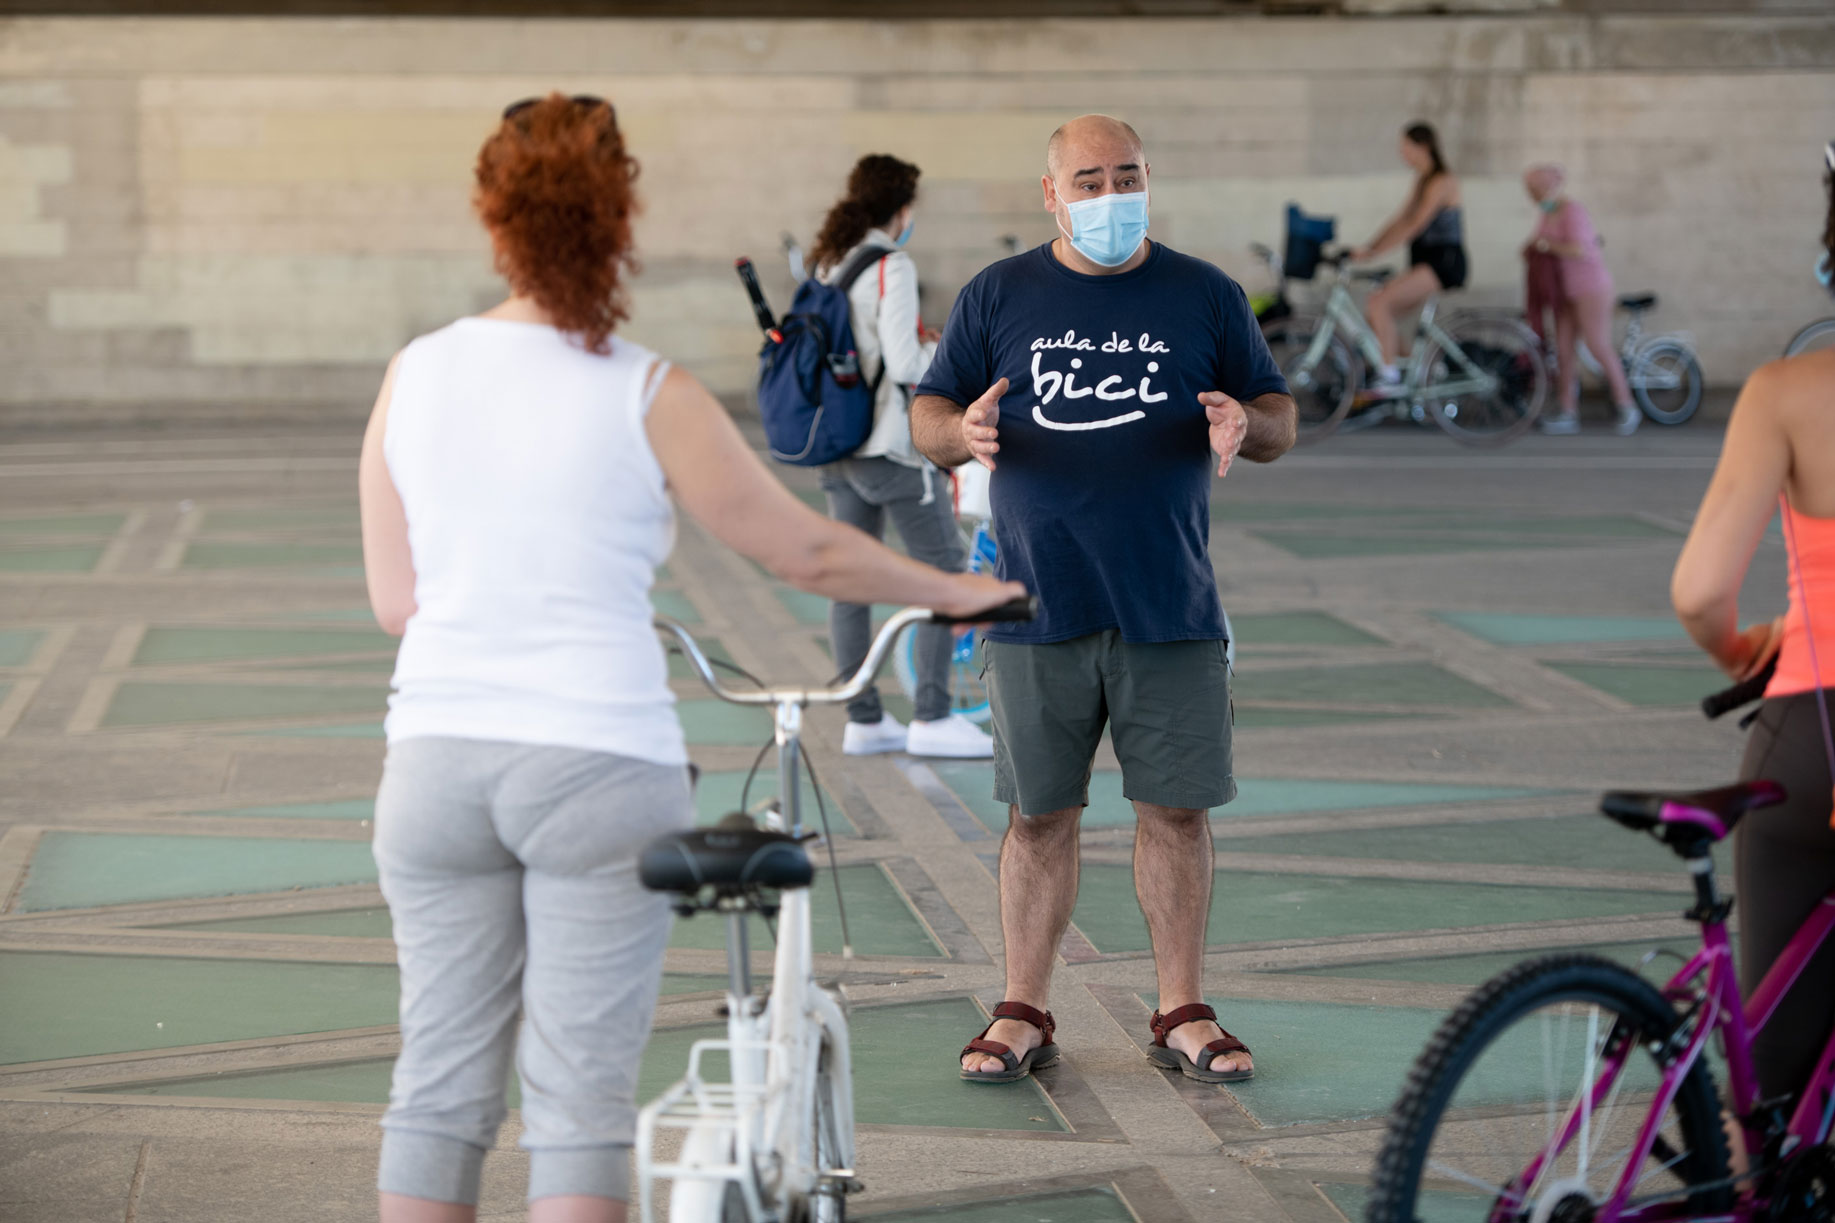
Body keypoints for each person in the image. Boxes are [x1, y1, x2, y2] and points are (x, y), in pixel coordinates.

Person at [357, 94, 1023, 1223]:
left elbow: (396, 604)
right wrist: (960, 587)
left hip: (431, 765)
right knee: (574, 1103)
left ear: (490, 216)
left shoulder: (413, 373)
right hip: (591, 759)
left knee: (435, 1090)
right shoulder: (642, 386)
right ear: (623, 219)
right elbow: (806, 550)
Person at [910, 114, 1297, 1086]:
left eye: (1124, 176)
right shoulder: (997, 293)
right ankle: (1022, 1005)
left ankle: (1180, 1006)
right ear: (1049, 193)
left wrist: (1245, 420)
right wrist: (962, 429)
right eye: (1087, 180)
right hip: (1035, 604)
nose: (1108, 196)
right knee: (1038, 813)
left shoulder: (1203, 293)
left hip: (1168, 601)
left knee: (1174, 809)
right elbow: (926, 417)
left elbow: (1280, 417)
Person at [1669, 142, 1835, 1123]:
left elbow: (1698, 591)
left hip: (1803, 726)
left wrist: (1744, 652)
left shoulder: (1783, 391)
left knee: (1765, 1074)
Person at [807, 154, 993, 759]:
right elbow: (905, 364)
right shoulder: (892, 263)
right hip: (888, 446)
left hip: (837, 445)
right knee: (944, 573)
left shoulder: (829, 260)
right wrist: (951, 357)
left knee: (850, 583)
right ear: (902, 206)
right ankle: (934, 716)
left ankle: (864, 718)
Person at [1522, 164, 1640, 436]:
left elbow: (1578, 248)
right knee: (1563, 350)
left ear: (1549, 187)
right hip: (1565, 293)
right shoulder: (1547, 214)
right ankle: (1567, 411)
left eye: (1535, 190)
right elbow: (1537, 241)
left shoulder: (1572, 211)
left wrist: (1545, 246)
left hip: (1590, 288)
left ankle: (1626, 406)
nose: (1532, 195)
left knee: (1598, 344)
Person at [1349, 122, 1467, 388]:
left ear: (1423, 147)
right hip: (1427, 262)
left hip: (1443, 262)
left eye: (1406, 147)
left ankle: (1389, 375)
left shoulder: (1442, 181)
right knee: (1376, 314)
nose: (1402, 153)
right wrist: (1369, 248)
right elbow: (1400, 219)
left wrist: (1375, 253)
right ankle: (1415, 372)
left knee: (1379, 303)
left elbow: (1415, 225)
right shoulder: (1422, 180)